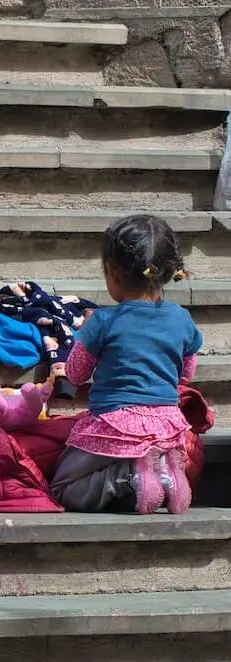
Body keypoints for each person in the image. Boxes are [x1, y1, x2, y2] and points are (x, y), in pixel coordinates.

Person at [51, 215, 202, 515]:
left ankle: (128, 476)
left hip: (114, 425)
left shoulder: (104, 321)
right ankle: (166, 473)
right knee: (143, 454)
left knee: (62, 487)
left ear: (112, 272)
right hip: (168, 428)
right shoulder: (182, 319)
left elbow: (76, 373)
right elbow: (187, 373)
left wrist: (82, 340)